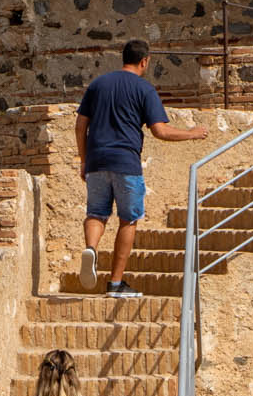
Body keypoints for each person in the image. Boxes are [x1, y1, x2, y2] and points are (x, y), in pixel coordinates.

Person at [76, 39, 208, 297]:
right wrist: (191, 134)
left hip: (96, 161)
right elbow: (160, 131)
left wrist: (83, 160)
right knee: (129, 219)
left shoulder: (98, 84)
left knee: (96, 213)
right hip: (126, 162)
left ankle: (91, 249)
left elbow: (80, 126)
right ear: (144, 61)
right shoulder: (144, 89)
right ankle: (115, 284)